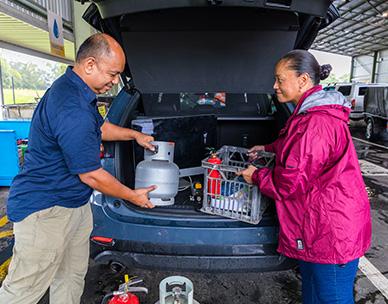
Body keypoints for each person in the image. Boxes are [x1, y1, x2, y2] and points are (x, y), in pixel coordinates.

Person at [0, 33, 156, 304]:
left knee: (71, 277)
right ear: (90, 64)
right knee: (23, 291)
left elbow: (100, 127)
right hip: (44, 211)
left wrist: (134, 135)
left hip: (73, 204)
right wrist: (133, 196)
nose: (114, 81)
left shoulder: (78, 91)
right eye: (112, 73)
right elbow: (92, 174)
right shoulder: (71, 106)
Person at [238, 50, 371, 304]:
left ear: (303, 80)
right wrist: (267, 148)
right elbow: (297, 147)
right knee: (312, 294)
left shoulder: (316, 123)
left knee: (332, 298)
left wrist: (256, 176)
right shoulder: (308, 115)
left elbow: (289, 183)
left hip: (332, 230)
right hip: (318, 226)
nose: (274, 86)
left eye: (280, 79)